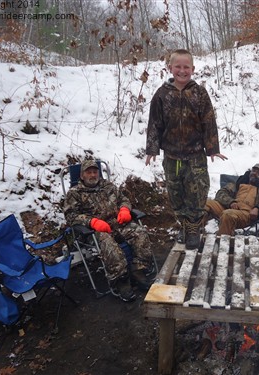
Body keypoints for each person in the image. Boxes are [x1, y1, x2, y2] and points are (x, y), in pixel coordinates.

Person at [145, 49, 227, 249]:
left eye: (186, 67)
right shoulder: (162, 94)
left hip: (195, 155)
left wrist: (212, 148)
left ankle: (193, 228)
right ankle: (183, 225)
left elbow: (209, 121)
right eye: (178, 66)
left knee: (197, 192)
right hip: (171, 155)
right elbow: (155, 122)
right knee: (176, 193)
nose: (182, 71)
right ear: (170, 68)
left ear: (193, 69)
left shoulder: (199, 93)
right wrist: (152, 149)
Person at [63, 159, 156, 302]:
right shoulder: (75, 193)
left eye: (95, 172)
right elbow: (70, 215)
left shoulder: (109, 186)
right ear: (82, 175)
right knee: (109, 245)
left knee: (140, 233)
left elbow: (123, 199)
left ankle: (139, 270)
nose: (93, 175)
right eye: (89, 172)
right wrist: (91, 221)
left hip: (118, 223)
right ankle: (121, 280)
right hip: (94, 232)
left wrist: (125, 209)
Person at [205, 164, 259, 236]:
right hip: (229, 207)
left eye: (258, 173)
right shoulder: (239, 182)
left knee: (228, 214)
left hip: (246, 215)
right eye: (254, 171)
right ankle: (195, 233)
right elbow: (221, 193)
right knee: (205, 204)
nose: (254, 173)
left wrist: (257, 209)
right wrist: (230, 202)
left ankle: (223, 242)